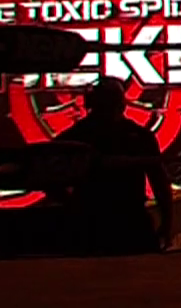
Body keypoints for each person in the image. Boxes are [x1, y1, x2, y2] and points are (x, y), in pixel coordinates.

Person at [54, 78, 173, 255]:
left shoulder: (76, 137)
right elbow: (159, 182)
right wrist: (167, 221)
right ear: (122, 104)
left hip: (92, 224)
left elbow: (47, 174)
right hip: (127, 222)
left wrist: (71, 203)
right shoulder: (140, 137)